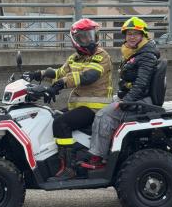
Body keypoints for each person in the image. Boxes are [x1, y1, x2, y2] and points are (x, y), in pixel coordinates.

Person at [25, 18, 112, 178]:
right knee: (50, 118)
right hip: (80, 107)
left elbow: (88, 76)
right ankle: (57, 160)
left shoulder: (101, 56)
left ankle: (69, 168)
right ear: (76, 40)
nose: (88, 40)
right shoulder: (75, 58)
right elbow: (59, 73)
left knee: (61, 122)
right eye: (84, 37)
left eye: (91, 36)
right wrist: (38, 74)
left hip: (96, 109)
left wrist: (59, 85)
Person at [80, 17, 160, 170]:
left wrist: (125, 101)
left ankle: (98, 158)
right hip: (132, 96)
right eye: (129, 34)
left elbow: (141, 84)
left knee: (103, 116)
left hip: (140, 100)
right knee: (101, 104)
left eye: (135, 34)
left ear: (143, 36)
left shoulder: (146, 55)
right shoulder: (136, 52)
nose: (131, 37)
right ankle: (102, 145)